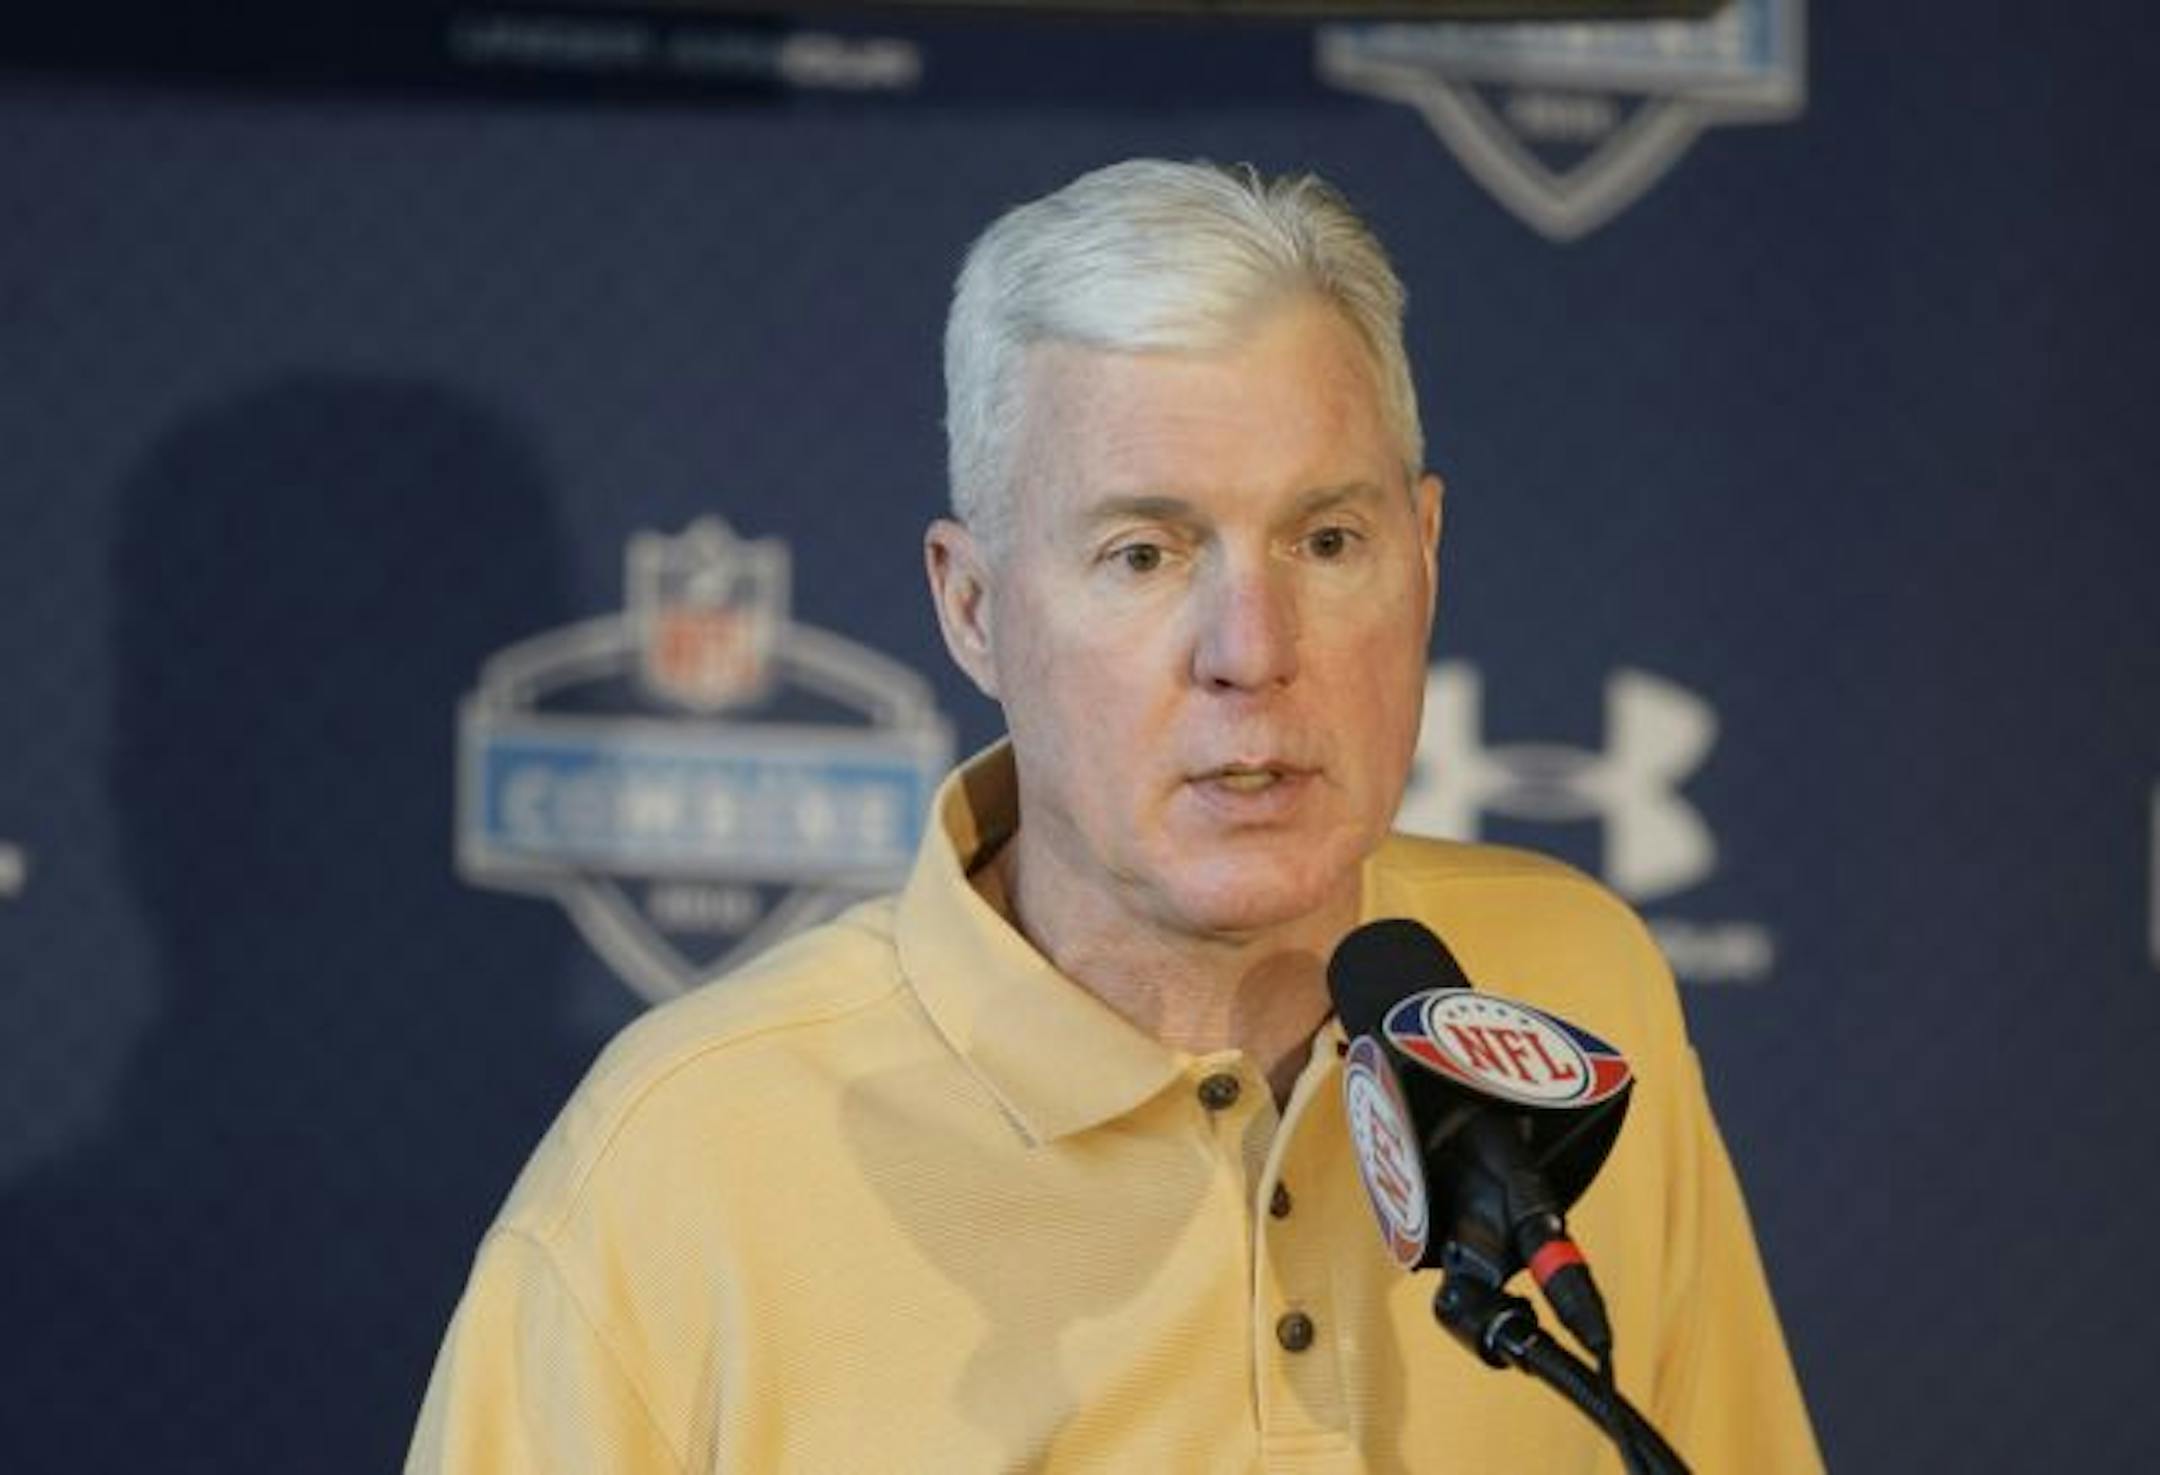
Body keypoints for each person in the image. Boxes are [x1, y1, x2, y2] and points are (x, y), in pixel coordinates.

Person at [409, 158, 1822, 1473]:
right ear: (973, 608)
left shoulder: (1570, 993)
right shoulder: (683, 1162)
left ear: (1428, 555)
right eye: (1144, 554)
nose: (1252, 649)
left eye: (1329, 541)